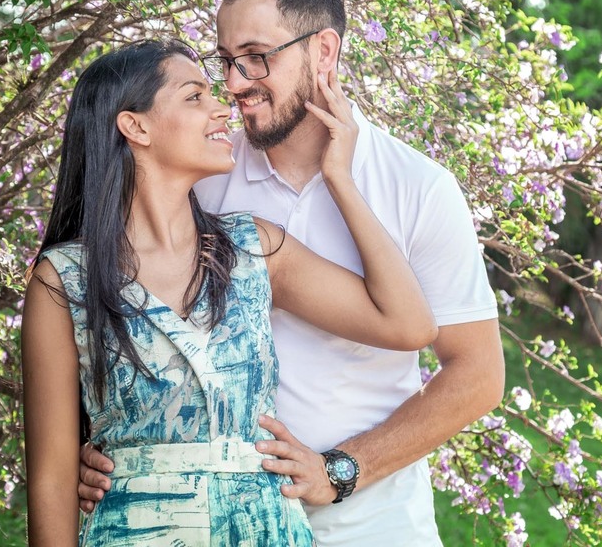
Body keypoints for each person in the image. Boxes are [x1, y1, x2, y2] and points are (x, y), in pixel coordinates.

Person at [79, 0, 506, 545]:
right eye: (226, 61)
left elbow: (477, 374)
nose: (234, 82)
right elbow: (107, 313)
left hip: (374, 526)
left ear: (323, 51)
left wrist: (341, 470)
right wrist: (102, 442)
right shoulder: (202, 174)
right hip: (224, 527)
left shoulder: (417, 186)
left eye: (256, 56)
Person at [22, 39, 438, 546]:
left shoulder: (255, 248)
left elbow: (410, 325)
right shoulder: (62, 280)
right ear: (136, 126)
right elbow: (53, 479)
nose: (223, 107)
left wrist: (339, 178)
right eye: (195, 96)